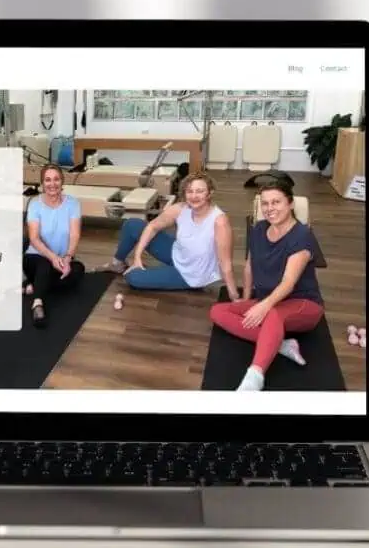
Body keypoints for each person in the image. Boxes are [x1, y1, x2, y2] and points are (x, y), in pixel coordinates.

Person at [208, 179, 325, 391]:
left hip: (303, 303)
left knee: (272, 314)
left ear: (290, 204)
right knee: (218, 311)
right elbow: (249, 266)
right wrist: (246, 298)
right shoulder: (259, 229)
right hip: (269, 299)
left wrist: (264, 305)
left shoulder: (302, 236)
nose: (270, 208)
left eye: (276, 202)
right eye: (265, 203)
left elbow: (289, 283)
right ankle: (280, 345)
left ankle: (255, 376)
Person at [105, 172, 239, 304]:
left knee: (132, 277)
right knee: (132, 224)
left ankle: (152, 274)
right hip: (177, 253)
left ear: (210, 193)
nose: (194, 196)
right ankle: (117, 264)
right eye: (189, 191)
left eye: (200, 191)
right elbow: (152, 227)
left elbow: (225, 263)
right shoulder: (180, 208)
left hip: (191, 274)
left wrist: (234, 296)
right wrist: (137, 257)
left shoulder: (219, 221)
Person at [24, 163, 84, 328]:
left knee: (78, 270)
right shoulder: (35, 204)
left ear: (62, 181)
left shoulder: (73, 204)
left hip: (62, 259)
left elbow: (75, 234)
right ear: (43, 183)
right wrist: (52, 257)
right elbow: (34, 238)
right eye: (48, 180)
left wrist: (68, 257)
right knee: (44, 265)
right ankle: (37, 303)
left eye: (56, 179)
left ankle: (35, 285)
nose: (52, 184)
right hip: (36, 257)